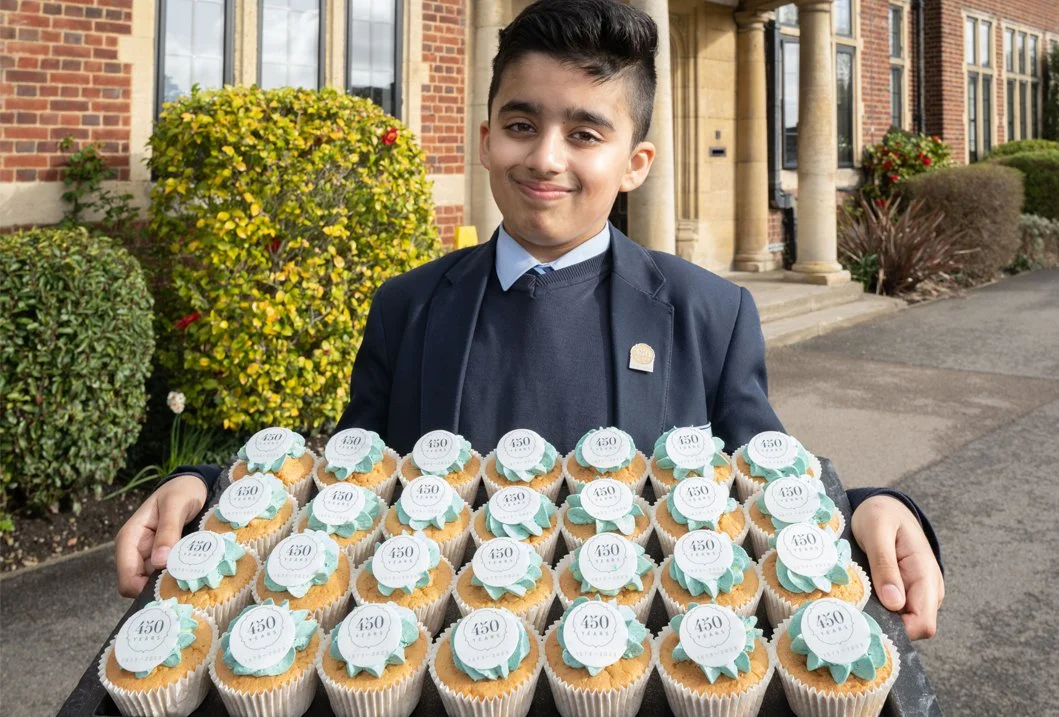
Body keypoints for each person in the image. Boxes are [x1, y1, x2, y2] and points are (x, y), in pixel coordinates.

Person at [116, 0, 943, 639]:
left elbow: (764, 479)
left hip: (641, 670)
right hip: (433, 668)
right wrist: (212, 489)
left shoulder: (708, 311)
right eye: (521, 125)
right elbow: (346, 480)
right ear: (485, 139)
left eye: (584, 132)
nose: (545, 156)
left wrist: (865, 506)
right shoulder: (406, 308)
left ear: (633, 164)